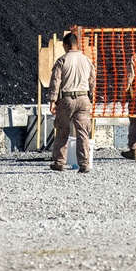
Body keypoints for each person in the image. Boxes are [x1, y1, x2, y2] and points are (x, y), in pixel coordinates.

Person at [48, 32, 96, 173]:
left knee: (62, 130)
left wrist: (52, 101)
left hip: (66, 99)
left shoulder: (62, 60)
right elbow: (92, 81)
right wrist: (90, 97)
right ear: (77, 44)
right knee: (83, 132)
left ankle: (59, 162)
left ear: (65, 45)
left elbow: (55, 82)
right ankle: (84, 164)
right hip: (84, 99)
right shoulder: (87, 60)